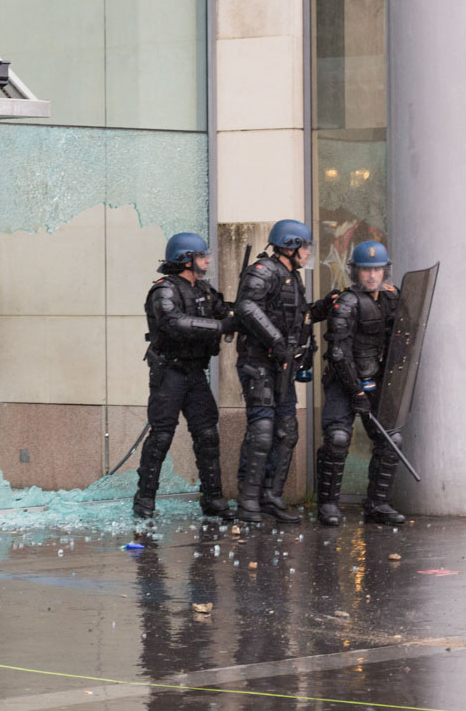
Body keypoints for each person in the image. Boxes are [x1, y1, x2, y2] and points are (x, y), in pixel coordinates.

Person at [232, 219, 338, 524]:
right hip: (259, 364)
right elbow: (247, 307)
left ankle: (272, 497)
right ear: (290, 246)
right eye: (305, 246)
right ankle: (248, 500)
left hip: (283, 368)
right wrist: (276, 341)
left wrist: (322, 308)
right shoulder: (263, 272)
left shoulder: (292, 276)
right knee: (262, 432)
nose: (307, 253)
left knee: (286, 431)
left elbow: (297, 316)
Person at [134, 232, 239, 520]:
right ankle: (144, 500)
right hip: (170, 372)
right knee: (161, 437)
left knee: (207, 434)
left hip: (195, 373)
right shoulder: (164, 291)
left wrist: (240, 311)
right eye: (202, 255)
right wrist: (220, 326)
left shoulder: (202, 289)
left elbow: (224, 309)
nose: (207, 260)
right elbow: (174, 322)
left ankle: (214, 499)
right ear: (185, 259)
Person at [316, 241, 407, 526]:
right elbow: (339, 354)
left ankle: (377, 504)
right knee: (338, 438)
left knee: (391, 439)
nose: (371, 275)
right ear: (356, 272)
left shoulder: (392, 298)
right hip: (344, 382)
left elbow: (402, 338)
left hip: (375, 377)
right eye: (366, 270)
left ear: (385, 271)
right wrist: (356, 391)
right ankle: (328, 505)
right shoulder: (346, 303)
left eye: (377, 269)